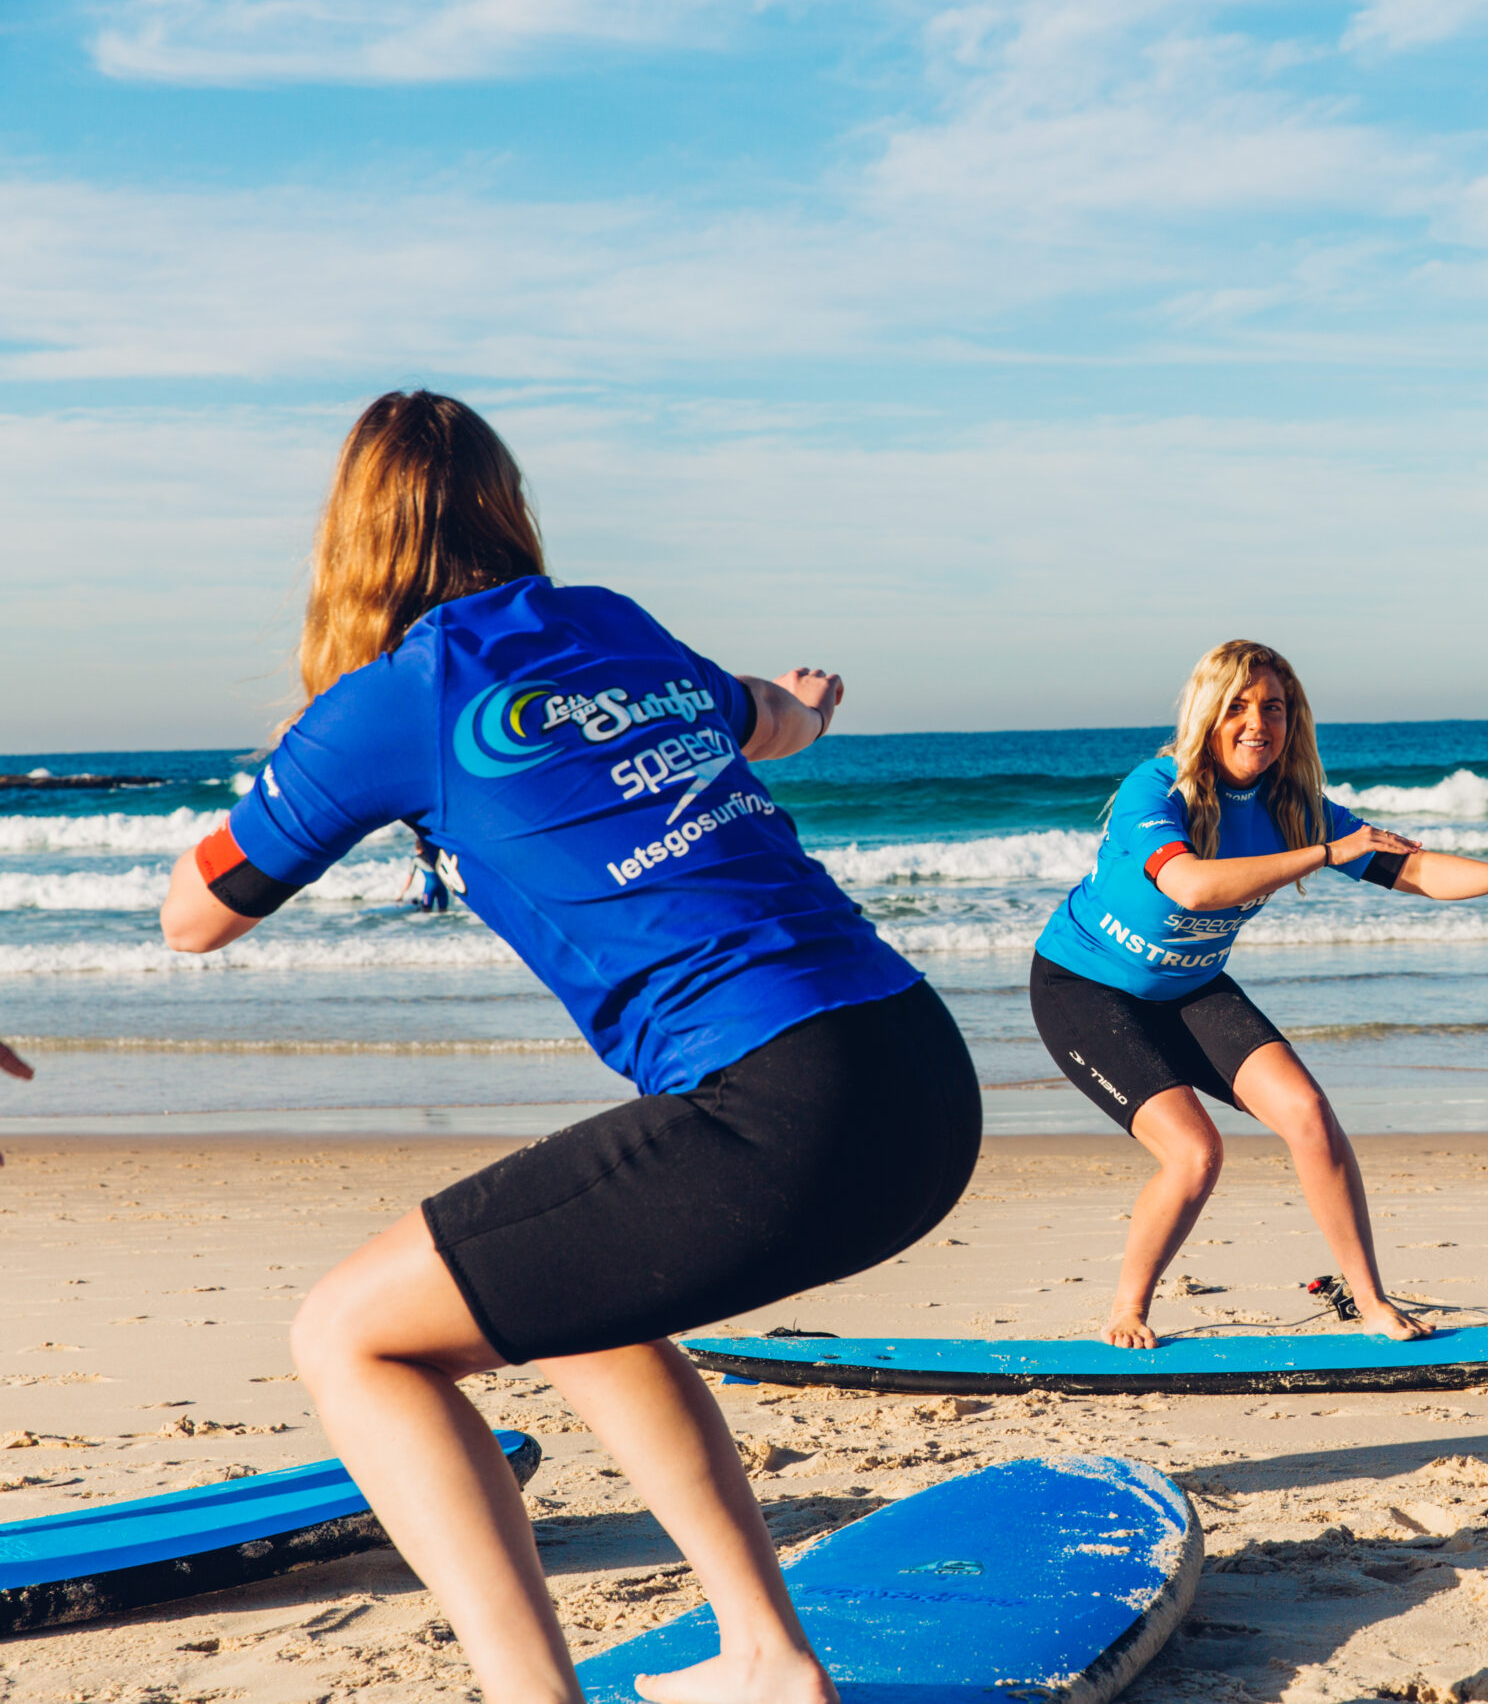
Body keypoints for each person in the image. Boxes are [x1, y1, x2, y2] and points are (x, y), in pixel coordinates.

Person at [160, 391, 980, 1704]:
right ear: (507, 504)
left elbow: (195, 916)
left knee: (350, 1337)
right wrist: (812, 708)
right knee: (563, 1294)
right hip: (920, 1074)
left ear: (349, 535)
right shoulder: (609, 622)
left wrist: (289, 776)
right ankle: (766, 1657)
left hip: (781, 1108)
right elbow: (770, 713)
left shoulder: (393, 703)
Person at [1030, 639, 1488, 1349]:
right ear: (1208, 711)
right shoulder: (1156, 789)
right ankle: (1129, 1308)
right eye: (1239, 706)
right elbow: (1190, 883)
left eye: (1275, 708)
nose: (1258, 723)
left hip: (1189, 986)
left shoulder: (1291, 805)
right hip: (1086, 987)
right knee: (1195, 1152)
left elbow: (1410, 869)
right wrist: (1323, 852)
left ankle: (1373, 1300)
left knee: (1310, 1115)